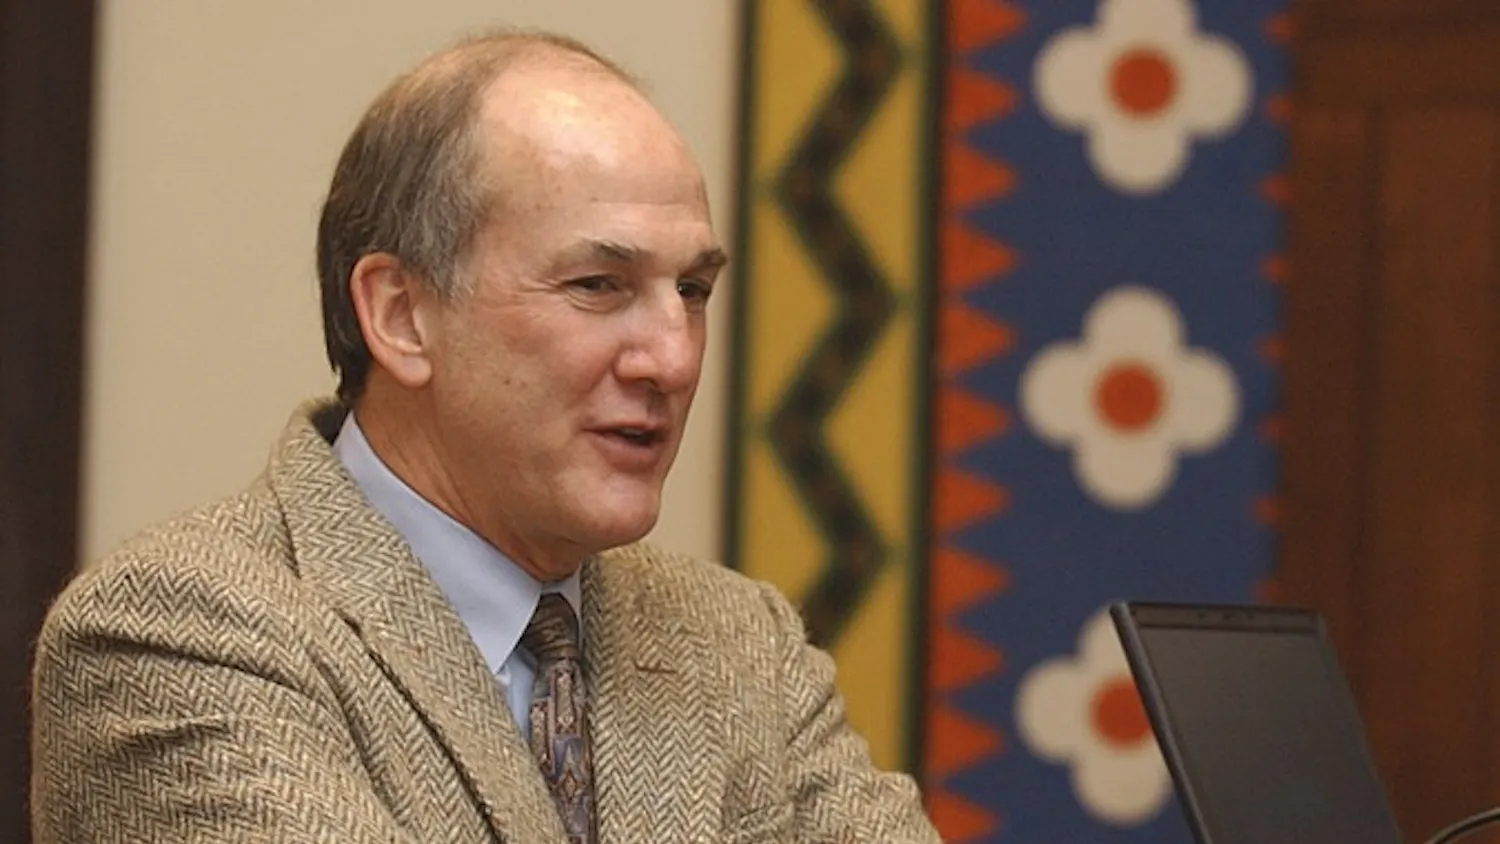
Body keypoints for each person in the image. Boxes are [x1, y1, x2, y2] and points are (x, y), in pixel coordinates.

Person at [30, 29, 942, 844]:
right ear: (400, 314)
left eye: (693, 292)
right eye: (597, 285)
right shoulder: (175, 631)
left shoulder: (742, 642)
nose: (674, 356)